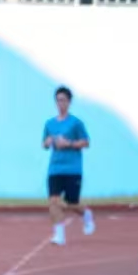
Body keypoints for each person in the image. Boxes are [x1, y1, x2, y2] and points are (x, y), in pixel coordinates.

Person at [43, 85, 95, 245]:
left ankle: (86, 214)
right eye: (58, 100)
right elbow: (44, 143)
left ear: (69, 102)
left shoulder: (76, 123)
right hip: (55, 168)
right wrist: (48, 142)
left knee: (72, 203)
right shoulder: (49, 123)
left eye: (63, 100)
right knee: (53, 202)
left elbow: (86, 142)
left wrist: (69, 143)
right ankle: (59, 235)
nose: (60, 103)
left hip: (72, 169)